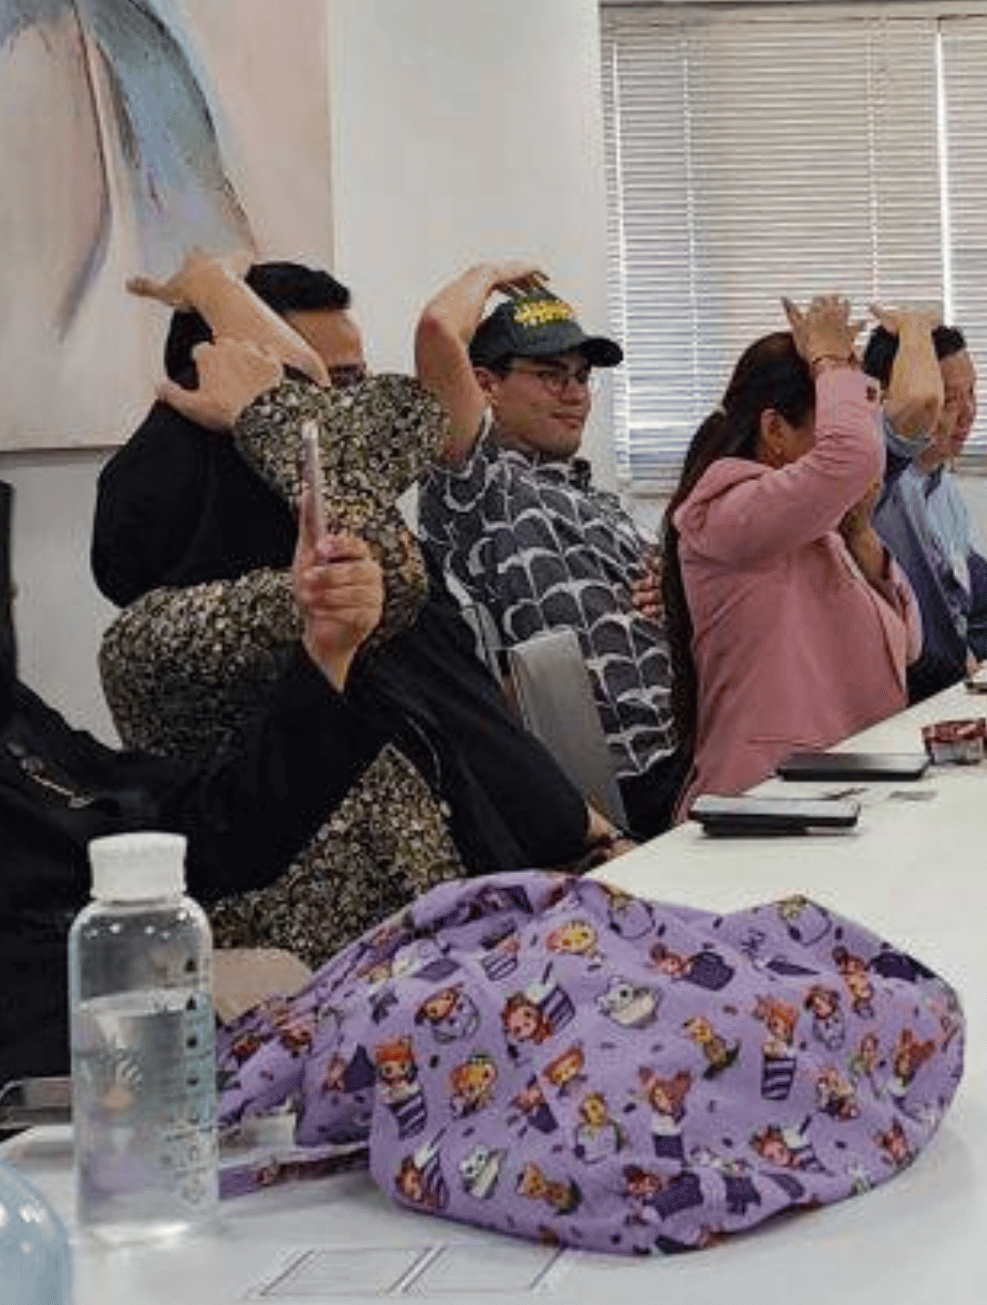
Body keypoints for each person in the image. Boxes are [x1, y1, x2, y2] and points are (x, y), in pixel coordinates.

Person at [92, 255, 616, 959]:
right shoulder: (173, 631)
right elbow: (382, 566)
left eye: (354, 388)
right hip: (347, 987)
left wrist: (593, 844)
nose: (346, 419)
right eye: (321, 394)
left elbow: (482, 729)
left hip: (468, 937)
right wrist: (223, 307)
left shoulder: (359, 580)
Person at [5, 481, 392, 1080]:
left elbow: (210, 828)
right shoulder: (151, 638)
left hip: (143, 1065)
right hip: (71, 1095)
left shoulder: (16, 720)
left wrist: (329, 654)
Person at [420, 271, 688, 829]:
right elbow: (439, 330)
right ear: (485, 384)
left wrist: (675, 586)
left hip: (687, 747)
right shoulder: (480, 486)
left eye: (582, 378)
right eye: (549, 376)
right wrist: (487, 275)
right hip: (616, 785)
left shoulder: (594, 497)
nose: (574, 394)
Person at [660, 299, 920, 809]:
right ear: (775, 429)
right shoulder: (729, 513)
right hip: (764, 799)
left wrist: (861, 536)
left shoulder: (813, 526)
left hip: (835, 785)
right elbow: (851, 456)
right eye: (830, 423)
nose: (866, 440)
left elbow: (909, 646)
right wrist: (829, 361)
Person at [860, 312, 987, 698]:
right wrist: (915, 326)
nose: (968, 411)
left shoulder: (940, 483)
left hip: (956, 674)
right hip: (910, 687)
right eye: (949, 399)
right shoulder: (876, 482)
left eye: (972, 393)